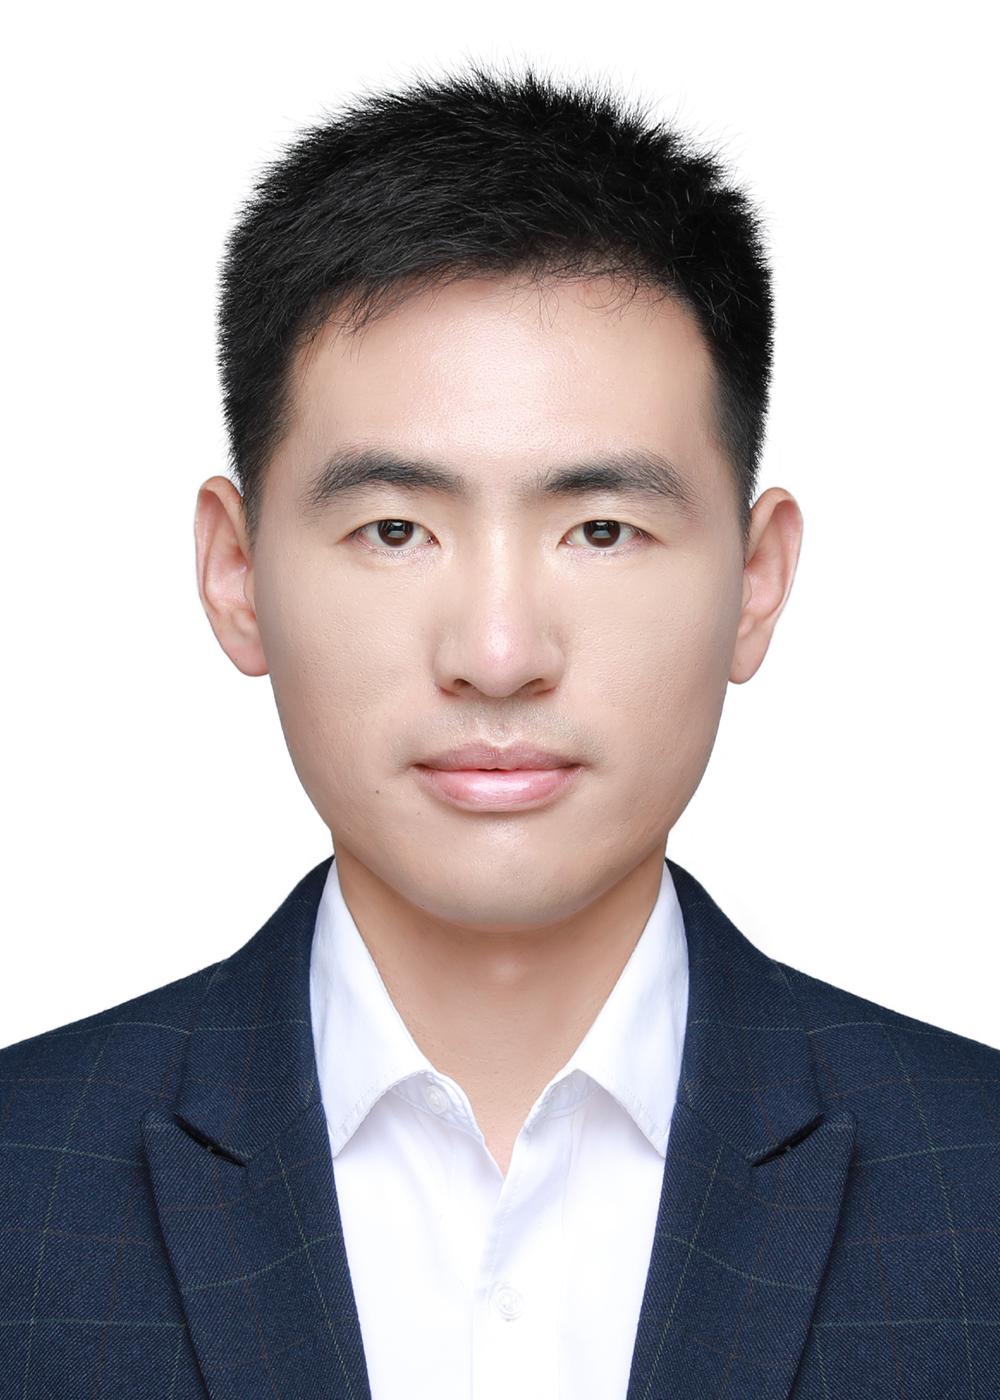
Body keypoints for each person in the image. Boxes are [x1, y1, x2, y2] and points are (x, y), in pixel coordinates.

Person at [1, 61, 996, 1400]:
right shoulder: (25, 1184)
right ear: (235, 574)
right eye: (394, 529)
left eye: (602, 529)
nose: (498, 653)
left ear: (756, 583)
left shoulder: (973, 1185)